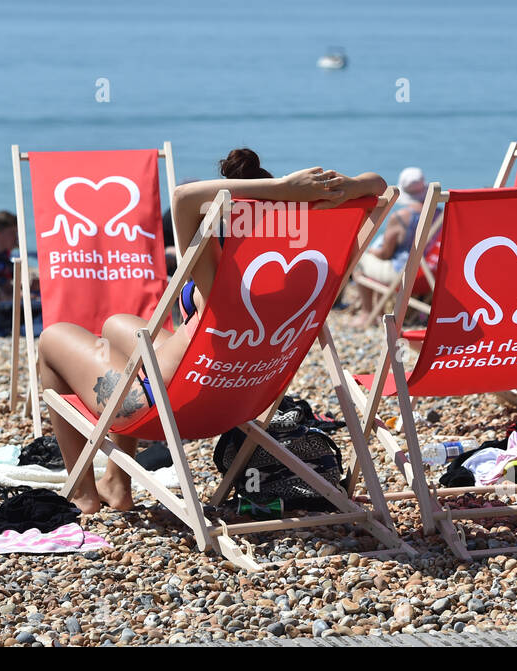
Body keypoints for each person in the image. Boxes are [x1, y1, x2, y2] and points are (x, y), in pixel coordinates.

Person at [36, 149, 385, 514]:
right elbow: (377, 184)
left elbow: (184, 198)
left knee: (52, 338)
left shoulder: (220, 277)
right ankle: (116, 482)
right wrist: (337, 188)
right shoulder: (317, 272)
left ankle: (83, 494)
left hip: (164, 410)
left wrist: (282, 187)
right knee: (118, 325)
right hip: (238, 399)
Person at [352, 166, 434, 326]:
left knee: (360, 261)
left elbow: (385, 254)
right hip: (432, 276)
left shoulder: (401, 217)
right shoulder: (440, 214)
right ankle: (380, 309)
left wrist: (372, 251)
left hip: (405, 275)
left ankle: (368, 314)